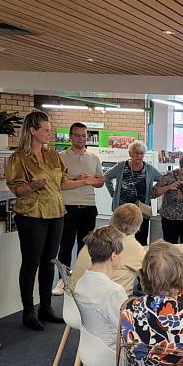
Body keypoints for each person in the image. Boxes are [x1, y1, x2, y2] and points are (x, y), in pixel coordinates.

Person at [6, 110, 99, 331]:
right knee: (31, 263)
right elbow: (16, 189)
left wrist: (84, 181)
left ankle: (45, 306)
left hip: (56, 213)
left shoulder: (52, 156)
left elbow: (62, 183)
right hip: (31, 215)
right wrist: (31, 186)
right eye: (46, 130)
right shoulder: (18, 158)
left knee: (50, 261)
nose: (50, 134)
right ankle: (28, 310)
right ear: (32, 131)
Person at [53, 122, 104, 295]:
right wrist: (81, 180)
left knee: (86, 246)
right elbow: (60, 184)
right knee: (65, 244)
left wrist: (90, 179)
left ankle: (84, 279)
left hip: (89, 207)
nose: (81, 139)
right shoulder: (60, 157)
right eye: (77, 135)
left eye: (84, 135)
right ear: (70, 136)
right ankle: (63, 280)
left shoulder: (94, 158)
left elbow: (100, 181)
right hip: (67, 206)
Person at [69, 203, 146, 295]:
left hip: (76, 299)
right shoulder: (131, 245)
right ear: (137, 226)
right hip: (109, 303)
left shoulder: (99, 234)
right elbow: (150, 270)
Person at [73, 226, 127, 348]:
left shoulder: (81, 281)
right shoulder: (114, 291)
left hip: (88, 348)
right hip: (114, 354)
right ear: (113, 255)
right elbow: (127, 329)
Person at [103, 140, 162, 245]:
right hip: (122, 211)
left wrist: (153, 192)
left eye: (142, 153)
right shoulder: (121, 166)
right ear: (130, 153)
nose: (139, 155)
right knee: (119, 239)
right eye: (136, 152)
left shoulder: (149, 169)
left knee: (141, 239)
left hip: (142, 211)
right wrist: (112, 193)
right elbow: (107, 176)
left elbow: (162, 179)